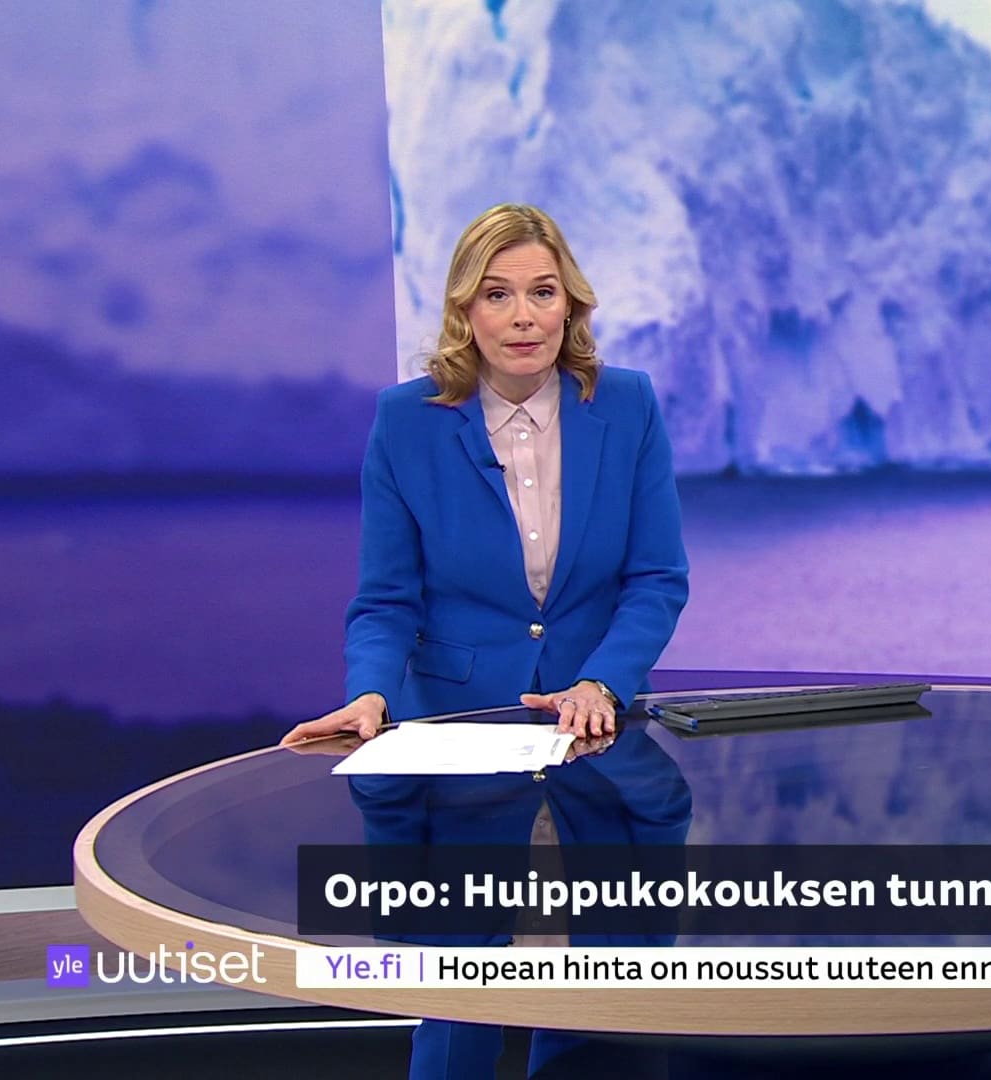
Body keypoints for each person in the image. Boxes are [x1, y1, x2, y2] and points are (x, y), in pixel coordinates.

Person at [281, 203, 690, 1078]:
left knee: (599, 992)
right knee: (458, 1003)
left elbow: (656, 578)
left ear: (571, 303)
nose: (524, 316)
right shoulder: (407, 421)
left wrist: (603, 683)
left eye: (543, 292)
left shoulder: (627, 406)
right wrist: (370, 694)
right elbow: (386, 601)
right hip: (458, 747)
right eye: (498, 294)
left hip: (596, 743)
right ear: (465, 310)